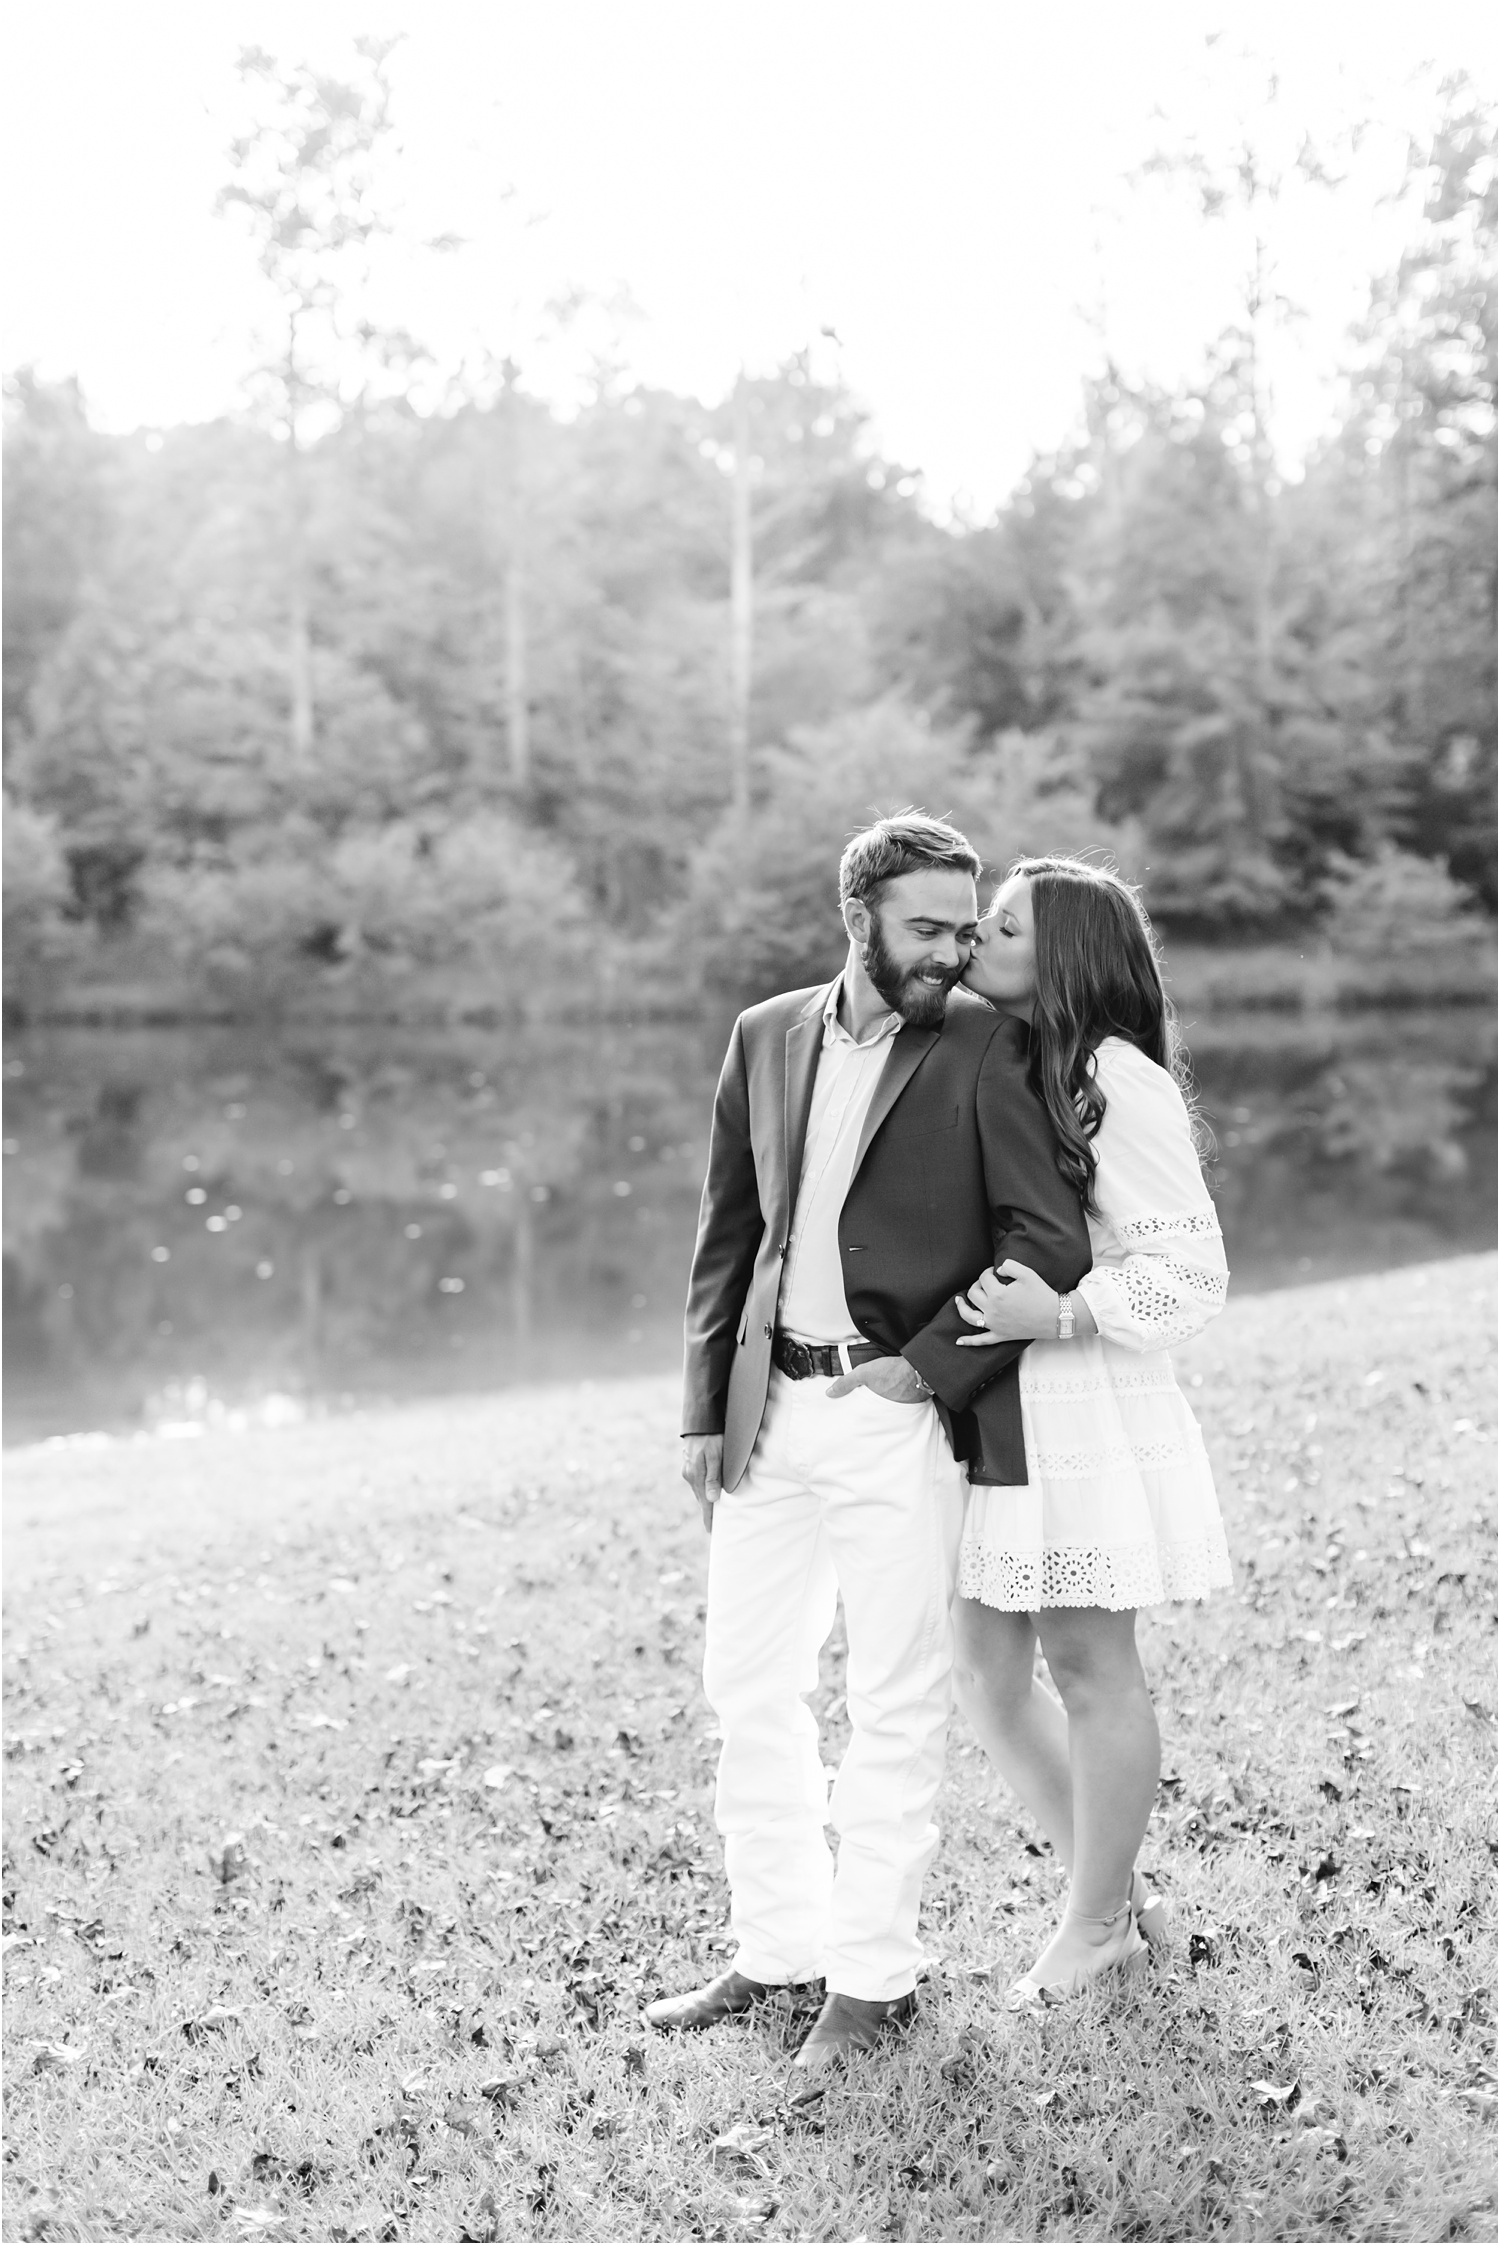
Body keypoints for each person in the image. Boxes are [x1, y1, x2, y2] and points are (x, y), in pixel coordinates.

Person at [648, 813, 1091, 2101]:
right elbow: (727, 1236)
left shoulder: (986, 1044)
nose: (954, 951)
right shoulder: (765, 1033)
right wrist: (699, 1411)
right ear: (859, 919)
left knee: (893, 1703)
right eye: (929, 928)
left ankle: (872, 1982)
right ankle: (777, 1950)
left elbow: (1044, 1235)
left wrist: (932, 1367)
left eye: (966, 927)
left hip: (898, 1417)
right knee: (749, 1687)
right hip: (765, 1416)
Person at [949, 854, 1233, 2009]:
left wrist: (1061, 1310)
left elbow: (1194, 1273)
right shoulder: (1018, 1060)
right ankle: (1112, 1886)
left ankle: (1097, 1921)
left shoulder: (1117, 1077)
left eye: (1004, 925)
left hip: (1085, 1401)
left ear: (1061, 953)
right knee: (984, 1669)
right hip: (1004, 1408)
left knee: (1087, 1664)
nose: (978, 936)